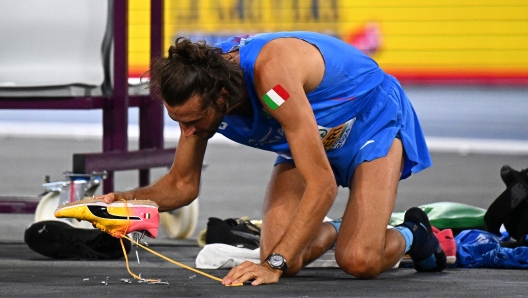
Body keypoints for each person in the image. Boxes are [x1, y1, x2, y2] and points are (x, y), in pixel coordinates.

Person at [99, 31, 446, 285]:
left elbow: (322, 184)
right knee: (286, 257)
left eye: (192, 122)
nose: (187, 132)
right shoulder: (199, 92)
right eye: (178, 122)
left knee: (358, 260)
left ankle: (413, 232)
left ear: (222, 96)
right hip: (310, 137)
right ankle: (348, 226)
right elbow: (181, 184)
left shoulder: (271, 80)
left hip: (369, 119)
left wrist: (273, 266)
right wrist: (121, 202)